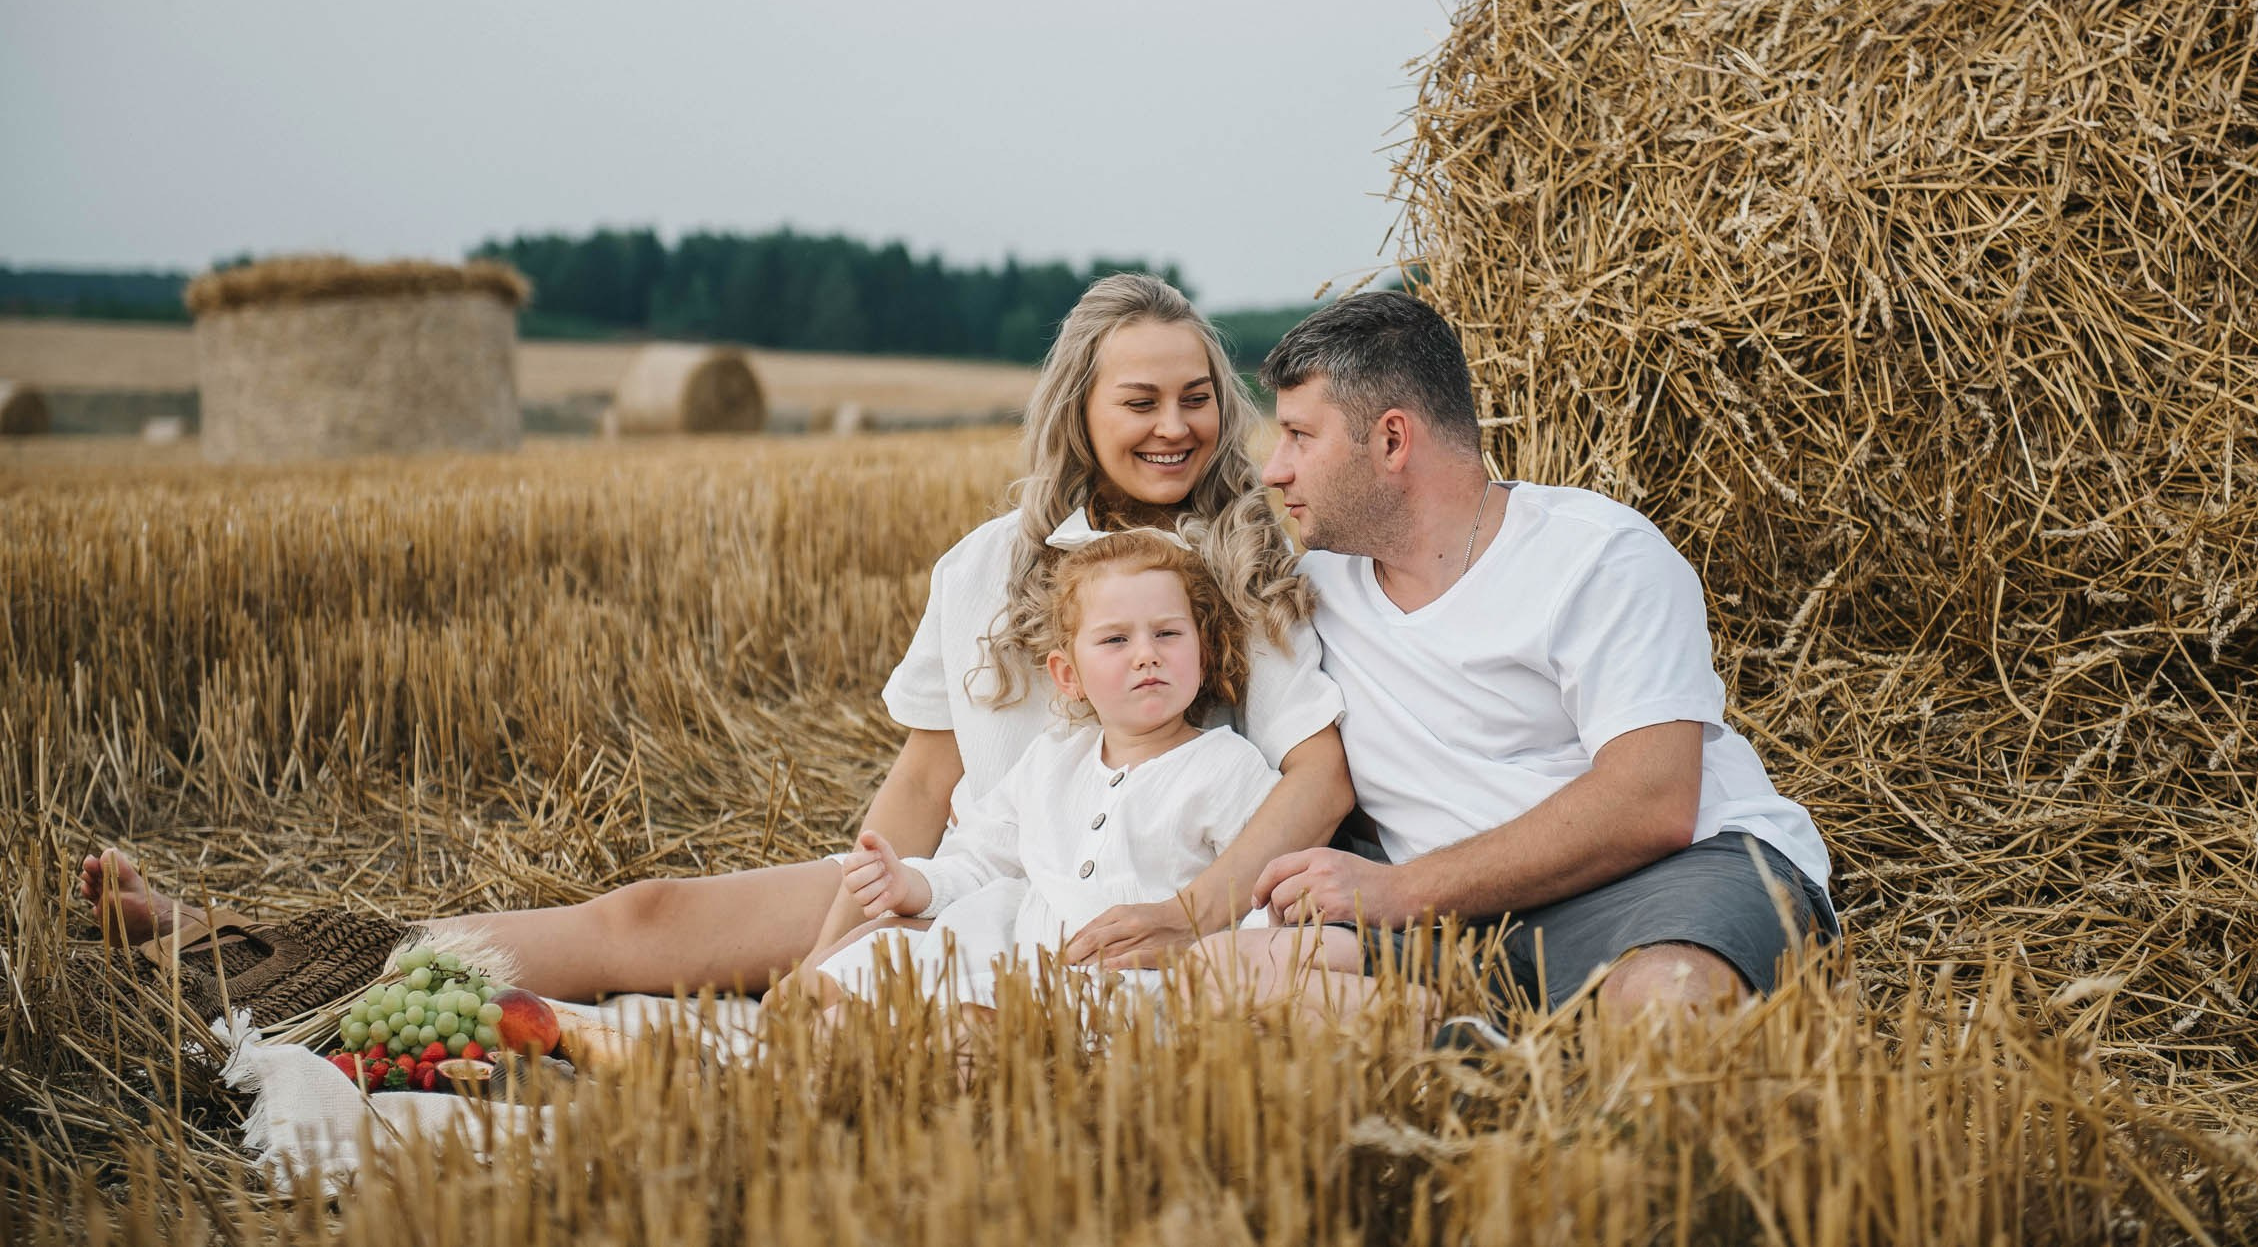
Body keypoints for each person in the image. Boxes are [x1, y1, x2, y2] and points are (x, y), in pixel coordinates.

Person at [80, 274, 1352, 1002]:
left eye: (1198, 397)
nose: (1176, 426)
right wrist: (844, 920)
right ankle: (256, 953)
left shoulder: (1248, 562)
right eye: (1141, 400)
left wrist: (1196, 909)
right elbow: (924, 778)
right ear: (1081, 407)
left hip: (1120, 907)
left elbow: (1315, 772)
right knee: (644, 918)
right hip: (960, 883)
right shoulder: (982, 568)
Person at [1201, 291, 1835, 1025]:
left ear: (1392, 441)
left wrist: (1398, 892)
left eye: (1300, 437)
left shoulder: (1597, 557)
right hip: (1460, 918)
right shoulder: (1310, 591)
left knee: (1665, 1007)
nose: (1274, 469)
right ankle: (1474, 1060)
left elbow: (1652, 803)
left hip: (1665, 880)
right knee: (1222, 977)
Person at [810, 528, 1284, 1011]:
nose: (1147, 654)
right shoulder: (1051, 760)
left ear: (1201, 653)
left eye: (1167, 634)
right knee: (831, 980)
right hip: (1013, 956)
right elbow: (983, 861)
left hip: (1120, 989)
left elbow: (1262, 895)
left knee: (964, 1024)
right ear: (1068, 676)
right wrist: (910, 885)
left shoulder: (1227, 767)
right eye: (1116, 639)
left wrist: (1213, 975)